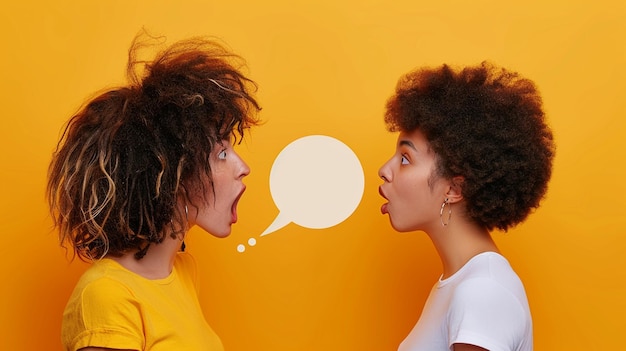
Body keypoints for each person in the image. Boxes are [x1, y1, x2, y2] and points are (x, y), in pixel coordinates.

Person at [47, 33, 261, 351]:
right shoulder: (106, 295)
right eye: (221, 154)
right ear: (169, 173)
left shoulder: (185, 274)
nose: (243, 168)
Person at [378, 62, 554, 351]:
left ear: (454, 189)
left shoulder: (482, 290)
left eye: (405, 158)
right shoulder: (462, 284)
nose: (385, 170)